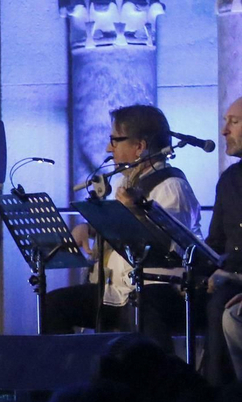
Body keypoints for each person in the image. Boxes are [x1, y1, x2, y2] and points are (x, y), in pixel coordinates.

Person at [43, 104, 200, 352]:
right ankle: (68, 378)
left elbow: (167, 246)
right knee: (53, 305)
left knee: (146, 312)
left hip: (157, 290)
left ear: (140, 146)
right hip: (119, 290)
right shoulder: (125, 182)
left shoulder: (171, 187)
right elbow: (118, 225)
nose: (108, 148)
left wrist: (135, 211)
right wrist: (89, 228)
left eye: (115, 140)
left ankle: (157, 383)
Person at [204, 97, 242, 383]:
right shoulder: (229, 179)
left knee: (221, 306)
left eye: (234, 121)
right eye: (225, 121)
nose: (224, 131)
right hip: (228, 278)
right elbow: (215, 242)